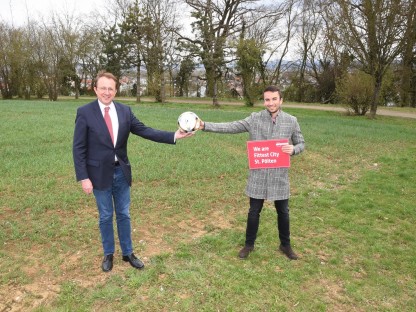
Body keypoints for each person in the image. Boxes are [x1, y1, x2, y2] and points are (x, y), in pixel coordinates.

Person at [73, 71, 193, 272]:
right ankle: (108, 253)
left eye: (111, 88)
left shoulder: (124, 111)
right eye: (103, 88)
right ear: (95, 89)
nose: (107, 92)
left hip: (121, 172)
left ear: (116, 90)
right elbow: (78, 148)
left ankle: (128, 253)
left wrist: (174, 135)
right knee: (105, 216)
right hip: (98, 174)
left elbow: (145, 130)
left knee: (124, 214)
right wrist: (84, 177)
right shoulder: (85, 112)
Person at [198, 86, 305, 260]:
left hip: (279, 176)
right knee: (254, 211)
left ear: (281, 100)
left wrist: (293, 149)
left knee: (283, 212)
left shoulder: (291, 121)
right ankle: (249, 245)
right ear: (264, 101)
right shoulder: (254, 119)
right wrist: (204, 125)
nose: (270, 103)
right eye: (267, 100)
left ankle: (285, 245)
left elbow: (301, 143)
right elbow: (232, 127)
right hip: (258, 176)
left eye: (274, 99)